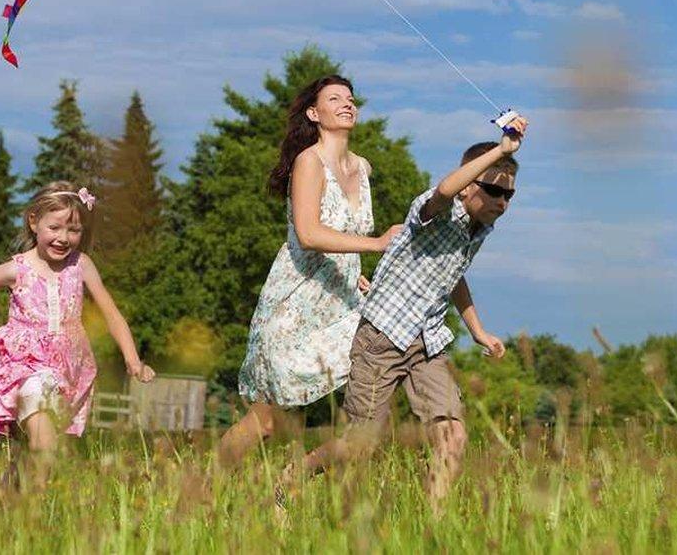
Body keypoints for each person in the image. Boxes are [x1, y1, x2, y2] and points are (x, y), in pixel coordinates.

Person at [290, 126, 525, 507]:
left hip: (428, 343)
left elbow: (452, 276)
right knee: (358, 444)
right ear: (469, 185)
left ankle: (434, 525)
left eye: (509, 194)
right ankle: (293, 476)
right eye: (494, 190)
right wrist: (500, 150)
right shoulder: (434, 212)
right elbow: (445, 191)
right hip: (381, 338)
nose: (503, 201)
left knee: (453, 435)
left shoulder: (480, 230)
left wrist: (478, 331)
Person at [216, 75, 402, 467]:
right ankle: (200, 493)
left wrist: (356, 274)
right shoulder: (309, 161)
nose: (347, 104)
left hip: (342, 302)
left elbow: (344, 239)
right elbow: (309, 233)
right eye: (335, 99)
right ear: (314, 113)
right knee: (266, 422)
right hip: (295, 304)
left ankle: (298, 477)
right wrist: (377, 244)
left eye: (351, 98)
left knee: (379, 384)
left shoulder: (362, 168)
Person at [0, 181, 154, 489]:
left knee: (30, 458)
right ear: (34, 222)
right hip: (25, 369)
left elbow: (111, 314)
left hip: (67, 373)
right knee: (45, 448)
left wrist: (133, 359)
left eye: (73, 230)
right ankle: (27, 518)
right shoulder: (18, 269)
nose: (63, 238)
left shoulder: (81, 266)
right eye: (54, 227)